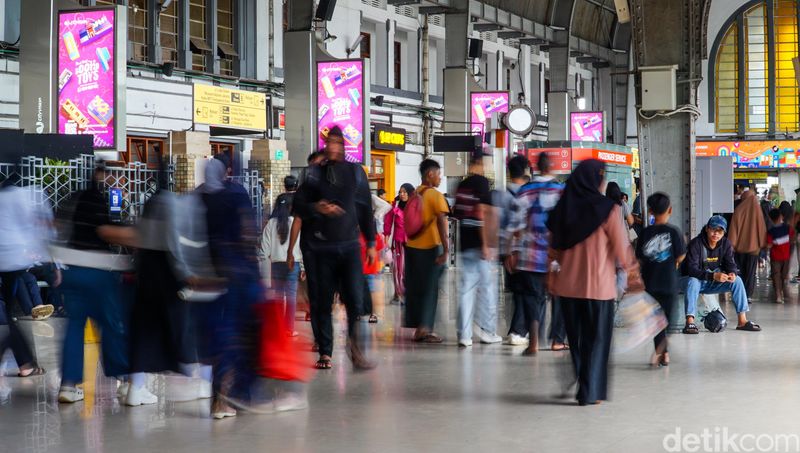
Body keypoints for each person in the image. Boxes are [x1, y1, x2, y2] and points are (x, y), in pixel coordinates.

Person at [546, 159, 643, 406]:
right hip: (598, 288)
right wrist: (633, 275)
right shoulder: (608, 209)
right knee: (597, 342)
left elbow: (553, 251)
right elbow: (622, 248)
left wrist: (552, 277)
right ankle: (590, 391)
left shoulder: (563, 209)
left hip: (568, 289)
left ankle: (584, 385)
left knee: (577, 341)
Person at [292, 126, 377, 370]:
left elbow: (365, 209)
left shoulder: (355, 172)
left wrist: (371, 243)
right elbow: (298, 206)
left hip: (349, 247)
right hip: (320, 249)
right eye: (329, 142)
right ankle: (325, 352)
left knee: (355, 300)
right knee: (321, 302)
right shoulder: (313, 174)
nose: (333, 147)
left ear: (343, 146)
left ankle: (356, 349)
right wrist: (317, 207)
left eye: (337, 143)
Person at [55, 163, 133, 403]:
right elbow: (105, 231)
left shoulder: (74, 198)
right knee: (111, 325)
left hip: (72, 270)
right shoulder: (97, 199)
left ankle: (68, 385)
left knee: (74, 326)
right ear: (101, 175)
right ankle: (125, 380)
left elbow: (57, 227)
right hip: (97, 271)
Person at [196, 154, 264, 418]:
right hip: (240, 274)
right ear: (228, 171)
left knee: (219, 335)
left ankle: (218, 399)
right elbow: (248, 231)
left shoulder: (198, 197)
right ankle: (238, 394)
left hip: (210, 276)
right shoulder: (236, 193)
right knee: (243, 336)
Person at [505, 153, 566, 355]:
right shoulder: (561, 191)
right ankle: (557, 340)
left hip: (529, 254)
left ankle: (534, 342)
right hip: (555, 255)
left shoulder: (525, 190)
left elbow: (515, 224)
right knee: (559, 297)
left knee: (532, 298)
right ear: (552, 167)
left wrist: (511, 251)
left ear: (537, 167)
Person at [0, 174, 51, 379]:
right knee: (5, 316)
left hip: (10, 264)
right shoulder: (21, 196)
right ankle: (25, 363)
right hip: (11, 264)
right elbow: (36, 228)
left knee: (5, 315)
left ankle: (25, 363)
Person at [680, 215, 761, 334]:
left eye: (720, 231)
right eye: (713, 229)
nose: (716, 234)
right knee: (693, 281)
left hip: (710, 283)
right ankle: (690, 322)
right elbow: (691, 270)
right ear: (707, 228)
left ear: (724, 233)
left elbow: (731, 264)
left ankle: (742, 321)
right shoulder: (696, 243)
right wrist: (713, 276)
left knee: (737, 280)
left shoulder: (725, 244)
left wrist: (732, 273)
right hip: (691, 282)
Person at [453, 154, 501, 347]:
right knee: (487, 289)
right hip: (479, 245)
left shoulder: (461, 185)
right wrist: (485, 244)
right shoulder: (481, 182)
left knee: (466, 290)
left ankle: (464, 335)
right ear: (478, 164)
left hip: (464, 243)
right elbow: (481, 213)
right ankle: (487, 331)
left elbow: (458, 215)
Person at [635, 193, 685, 367]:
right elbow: (681, 255)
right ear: (670, 210)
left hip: (650, 284)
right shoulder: (674, 232)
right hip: (669, 283)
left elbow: (639, 259)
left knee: (656, 321)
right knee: (669, 320)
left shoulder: (644, 233)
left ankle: (661, 352)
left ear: (650, 211)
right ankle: (662, 352)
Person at [404, 159, 450, 343]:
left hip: (412, 248)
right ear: (430, 174)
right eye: (438, 174)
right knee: (430, 290)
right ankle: (424, 328)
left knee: (416, 289)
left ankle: (418, 327)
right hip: (430, 249)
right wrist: (446, 249)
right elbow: (442, 222)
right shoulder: (434, 195)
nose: (440, 178)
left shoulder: (415, 193)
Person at [499, 155, 533, 346]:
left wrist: (505, 252)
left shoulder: (502, 195)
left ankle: (515, 329)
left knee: (515, 292)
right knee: (525, 291)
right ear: (525, 171)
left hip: (506, 251)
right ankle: (518, 331)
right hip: (523, 250)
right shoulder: (527, 194)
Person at [261, 190, 303, 336]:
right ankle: (289, 329)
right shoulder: (296, 222)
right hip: (293, 263)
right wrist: (303, 266)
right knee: (291, 296)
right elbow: (300, 246)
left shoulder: (271, 224)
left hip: (276, 264)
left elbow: (264, 249)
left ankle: (277, 328)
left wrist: (264, 258)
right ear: (291, 207)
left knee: (278, 296)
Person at [728, 190, 767, 299]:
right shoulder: (758, 211)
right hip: (754, 250)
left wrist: (732, 245)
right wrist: (763, 244)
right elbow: (762, 229)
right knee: (751, 273)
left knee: (740, 272)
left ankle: (740, 294)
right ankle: (748, 295)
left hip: (739, 249)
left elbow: (733, 230)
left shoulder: (738, 210)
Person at [384, 183, 414, 305]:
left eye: (404, 192)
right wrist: (386, 240)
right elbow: (387, 222)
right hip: (398, 243)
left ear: (410, 193)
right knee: (397, 269)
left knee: (409, 269)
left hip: (412, 243)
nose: (402, 194)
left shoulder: (414, 206)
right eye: (400, 192)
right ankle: (399, 295)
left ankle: (407, 294)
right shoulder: (395, 206)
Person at [766, 209, 793, 304]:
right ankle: (781, 293)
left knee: (776, 275)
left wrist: (774, 243)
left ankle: (778, 295)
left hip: (775, 257)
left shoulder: (770, 231)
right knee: (783, 276)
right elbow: (792, 239)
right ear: (781, 216)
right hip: (786, 257)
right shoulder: (788, 228)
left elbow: (769, 245)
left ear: (771, 219)